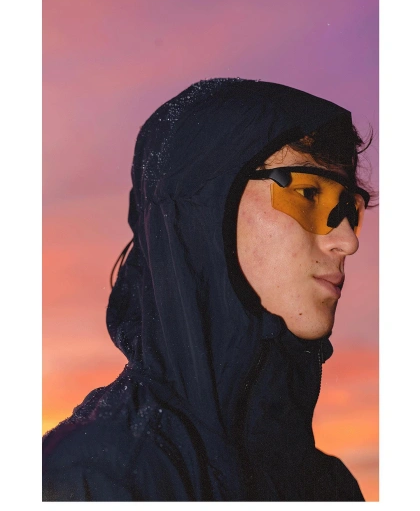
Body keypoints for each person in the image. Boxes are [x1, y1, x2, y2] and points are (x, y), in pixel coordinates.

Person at [42, 78, 375, 501]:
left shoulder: (329, 487)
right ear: (205, 211)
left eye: (349, 209)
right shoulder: (95, 479)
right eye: (309, 193)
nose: (347, 241)